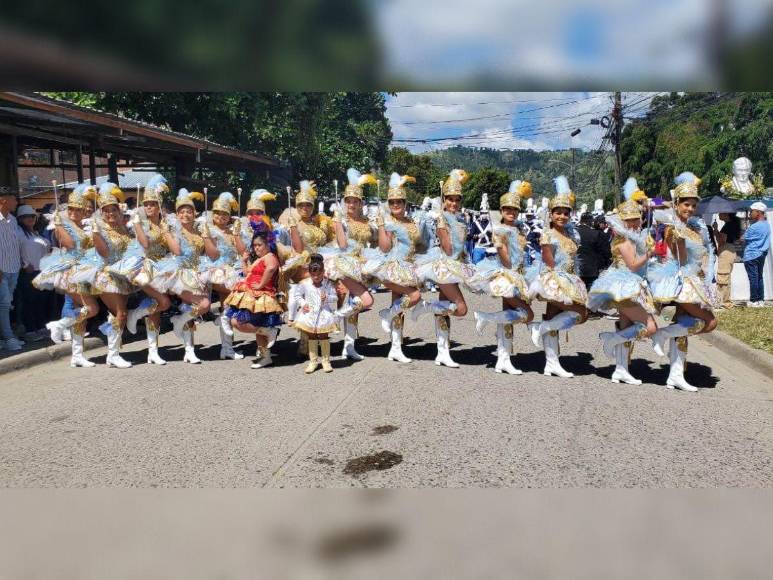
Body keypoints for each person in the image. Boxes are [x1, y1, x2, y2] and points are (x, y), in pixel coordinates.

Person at [648, 172, 719, 392]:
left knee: (683, 323)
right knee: (709, 322)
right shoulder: (671, 226)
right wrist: (670, 203)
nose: (689, 209)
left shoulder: (693, 226)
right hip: (679, 279)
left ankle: (675, 374)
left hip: (692, 279)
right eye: (685, 204)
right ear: (677, 203)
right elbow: (651, 203)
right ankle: (662, 335)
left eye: (692, 206)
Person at [588, 182, 659, 385]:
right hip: (624, 285)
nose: (634, 224)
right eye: (629, 221)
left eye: (637, 220)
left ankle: (621, 369)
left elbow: (656, 203)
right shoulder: (625, 241)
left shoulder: (631, 238)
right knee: (651, 327)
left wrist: (653, 201)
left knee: (626, 325)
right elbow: (634, 265)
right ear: (623, 222)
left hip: (628, 285)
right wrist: (649, 254)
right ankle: (612, 340)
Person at [468, 180, 535, 374]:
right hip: (506, 274)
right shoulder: (499, 231)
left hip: (518, 273)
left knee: (510, 314)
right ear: (501, 210)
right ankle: (486, 317)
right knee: (528, 314)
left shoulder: (519, 228)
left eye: (514, 209)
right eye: (507, 209)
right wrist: (500, 248)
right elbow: (507, 262)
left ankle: (503, 359)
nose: (511, 212)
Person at [70, 182, 140, 368]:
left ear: (120, 212)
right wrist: (95, 233)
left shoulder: (124, 229)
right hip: (103, 275)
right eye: (106, 211)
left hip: (120, 275)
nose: (110, 214)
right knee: (120, 313)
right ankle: (112, 355)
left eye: (113, 210)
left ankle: (78, 353)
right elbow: (104, 253)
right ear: (101, 213)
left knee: (100, 312)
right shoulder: (97, 229)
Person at [412, 169, 476, 368]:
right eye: (450, 199)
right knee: (461, 308)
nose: (454, 203)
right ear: (444, 199)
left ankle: (443, 351)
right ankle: (424, 307)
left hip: (454, 266)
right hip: (444, 267)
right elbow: (448, 249)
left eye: (457, 200)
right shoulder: (441, 219)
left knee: (445, 309)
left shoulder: (460, 219)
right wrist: (443, 225)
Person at [527, 176, 589, 378]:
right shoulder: (547, 234)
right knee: (581, 313)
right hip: (555, 278)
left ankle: (551, 363)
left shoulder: (572, 235)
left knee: (554, 316)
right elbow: (549, 261)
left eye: (565, 213)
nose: (562, 216)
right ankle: (544, 332)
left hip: (569, 279)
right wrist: (557, 285)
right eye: (558, 213)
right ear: (551, 215)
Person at [35, 184, 101, 367]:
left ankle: (77, 355)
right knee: (92, 309)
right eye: (71, 209)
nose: (74, 212)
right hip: (72, 272)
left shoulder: (84, 226)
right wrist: (59, 223)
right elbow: (70, 244)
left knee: (82, 314)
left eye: (78, 209)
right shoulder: (61, 226)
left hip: (85, 271)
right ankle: (60, 325)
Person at [362, 173, 423, 363]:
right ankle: (386, 316)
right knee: (414, 297)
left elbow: (417, 246)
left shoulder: (412, 222)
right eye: (392, 202)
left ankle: (395, 346)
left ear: (405, 203)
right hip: (389, 266)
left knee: (399, 307)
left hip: (409, 267)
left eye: (399, 201)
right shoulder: (386, 221)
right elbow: (385, 247)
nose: (395, 204)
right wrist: (382, 226)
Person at [320, 168, 377, 361]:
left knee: (355, 304)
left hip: (361, 264)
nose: (351, 204)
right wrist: (337, 223)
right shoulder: (340, 220)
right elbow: (343, 245)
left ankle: (349, 346)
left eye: (355, 201)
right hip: (344, 262)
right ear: (344, 202)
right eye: (348, 200)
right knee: (366, 300)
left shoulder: (368, 221)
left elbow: (377, 241)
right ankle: (336, 316)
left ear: (361, 203)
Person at [152, 188, 215, 364]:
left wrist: (206, 235)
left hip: (197, 272)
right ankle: (179, 321)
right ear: (177, 214)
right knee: (204, 304)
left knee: (190, 310)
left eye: (189, 211)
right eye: (182, 212)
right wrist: (166, 233)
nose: (185, 215)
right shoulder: (172, 230)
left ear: (194, 214)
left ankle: (189, 350)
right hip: (178, 273)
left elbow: (212, 255)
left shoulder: (198, 231)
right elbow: (177, 251)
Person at [279, 180, 335, 357]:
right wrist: (292, 257)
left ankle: (315, 337)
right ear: (296, 206)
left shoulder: (318, 223)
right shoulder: (289, 222)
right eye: (301, 205)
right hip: (301, 268)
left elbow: (328, 244)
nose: (305, 208)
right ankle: (306, 340)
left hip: (319, 266)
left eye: (308, 205)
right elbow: (280, 245)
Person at [123, 174, 174, 365]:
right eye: (146, 204)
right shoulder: (140, 223)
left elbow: (172, 246)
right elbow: (144, 244)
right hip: (144, 266)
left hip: (163, 267)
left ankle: (153, 351)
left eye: (153, 204)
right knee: (164, 302)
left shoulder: (165, 223)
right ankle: (135, 314)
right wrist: (136, 223)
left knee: (156, 310)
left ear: (159, 205)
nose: (149, 207)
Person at [223, 220, 284, 369]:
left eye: (259, 245)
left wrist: (261, 284)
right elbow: (247, 273)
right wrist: (244, 261)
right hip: (252, 292)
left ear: (267, 245)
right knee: (250, 325)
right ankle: (266, 355)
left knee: (239, 322)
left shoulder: (270, 256)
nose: (256, 248)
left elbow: (271, 269)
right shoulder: (259, 259)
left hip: (261, 294)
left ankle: (269, 337)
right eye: (255, 245)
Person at [199, 191, 248, 360]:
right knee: (231, 298)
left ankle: (226, 348)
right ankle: (223, 326)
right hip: (215, 269)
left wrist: (236, 235)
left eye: (225, 214)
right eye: (218, 213)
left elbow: (243, 252)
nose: (221, 217)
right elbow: (212, 255)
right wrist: (206, 236)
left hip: (232, 269)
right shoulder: (209, 229)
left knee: (227, 306)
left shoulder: (232, 231)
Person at [292, 254, 338, 374]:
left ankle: (326, 361)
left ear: (323, 272)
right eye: (313, 275)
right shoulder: (305, 283)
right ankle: (313, 361)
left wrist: (327, 297)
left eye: (319, 274)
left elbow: (335, 298)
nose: (316, 277)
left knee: (324, 336)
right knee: (311, 336)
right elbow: (297, 295)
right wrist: (303, 304)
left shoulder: (328, 284)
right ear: (309, 273)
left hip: (324, 314)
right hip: (310, 314)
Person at [15, 205, 52, 341]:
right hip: (29, 273)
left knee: (40, 301)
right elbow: (14, 250)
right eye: (25, 217)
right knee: (29, 302)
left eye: (32, 216)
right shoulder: (19, 233)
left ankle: (40, 327)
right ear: (20, 219)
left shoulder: (36, 233)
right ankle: (30, 330)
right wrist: (24, 265)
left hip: (41, 271)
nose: (30, 219)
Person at [0, 189, 23, 351]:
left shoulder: (13, 220)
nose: (16, 202)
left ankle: (5, 338)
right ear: (3, 200)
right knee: (4, 304)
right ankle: (8, 338)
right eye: (13, 199)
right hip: (1, 271)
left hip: (13, 268)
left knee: (6, 305)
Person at [742, 202, 770, 307]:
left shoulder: (754, 227)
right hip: (761, 254)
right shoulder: (767, 225)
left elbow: (742, 239)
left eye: (751, 212)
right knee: (759, 277)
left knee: (753, 278)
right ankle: (760, 299)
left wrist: (746, 228)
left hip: (751, 255)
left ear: (758, 212)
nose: (750, 214)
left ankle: (753, 300)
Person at [713, 212, 741, 308]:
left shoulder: (729, 225)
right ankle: (724, 300)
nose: (719, 214)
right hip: (730, 250)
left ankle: (723, 302)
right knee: (725, 276)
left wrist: (716, 230)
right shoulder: (731, 224)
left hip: (726, 250)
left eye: (721, 212)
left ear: (726, 214)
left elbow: (721, 241)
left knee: (723, 276)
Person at [576, 212, 611, 290]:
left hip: (575, 269)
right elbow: (605, 252)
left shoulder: (573, 232)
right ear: (591, 221)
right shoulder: (596, 234)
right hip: (591, 270)